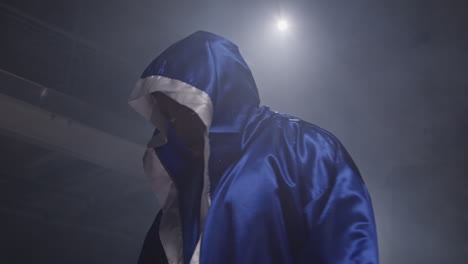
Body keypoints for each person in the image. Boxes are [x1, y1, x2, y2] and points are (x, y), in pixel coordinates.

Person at [128, 31, 379, 264]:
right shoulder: (184, 197)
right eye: (168, 117)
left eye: (184, 110)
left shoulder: (304, 149)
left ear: (218, 96)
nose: (178, 130)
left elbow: (346, 249)